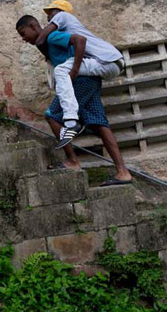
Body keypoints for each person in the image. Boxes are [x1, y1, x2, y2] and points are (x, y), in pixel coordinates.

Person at [16, 14, 133, 185]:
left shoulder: (52, 37)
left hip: (80, 81)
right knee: (99, 122)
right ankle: (123, 172)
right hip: (89, 81)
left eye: (23, 33)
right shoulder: (45, 43)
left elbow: (79, 40)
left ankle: (72, 161)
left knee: (52, 115)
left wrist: (75, 70)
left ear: (34, 26)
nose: (23, 39)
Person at [31, 0, 126, 147]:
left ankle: (70, 120)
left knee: (61, 70)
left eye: (50, 14)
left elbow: (40, 39)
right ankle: (75, 120)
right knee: (62, 71)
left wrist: (74, 69)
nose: (48, 19)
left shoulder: (62, 16)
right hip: (110, 64)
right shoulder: (67, 29)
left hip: (108, 60)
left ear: (58, 11)